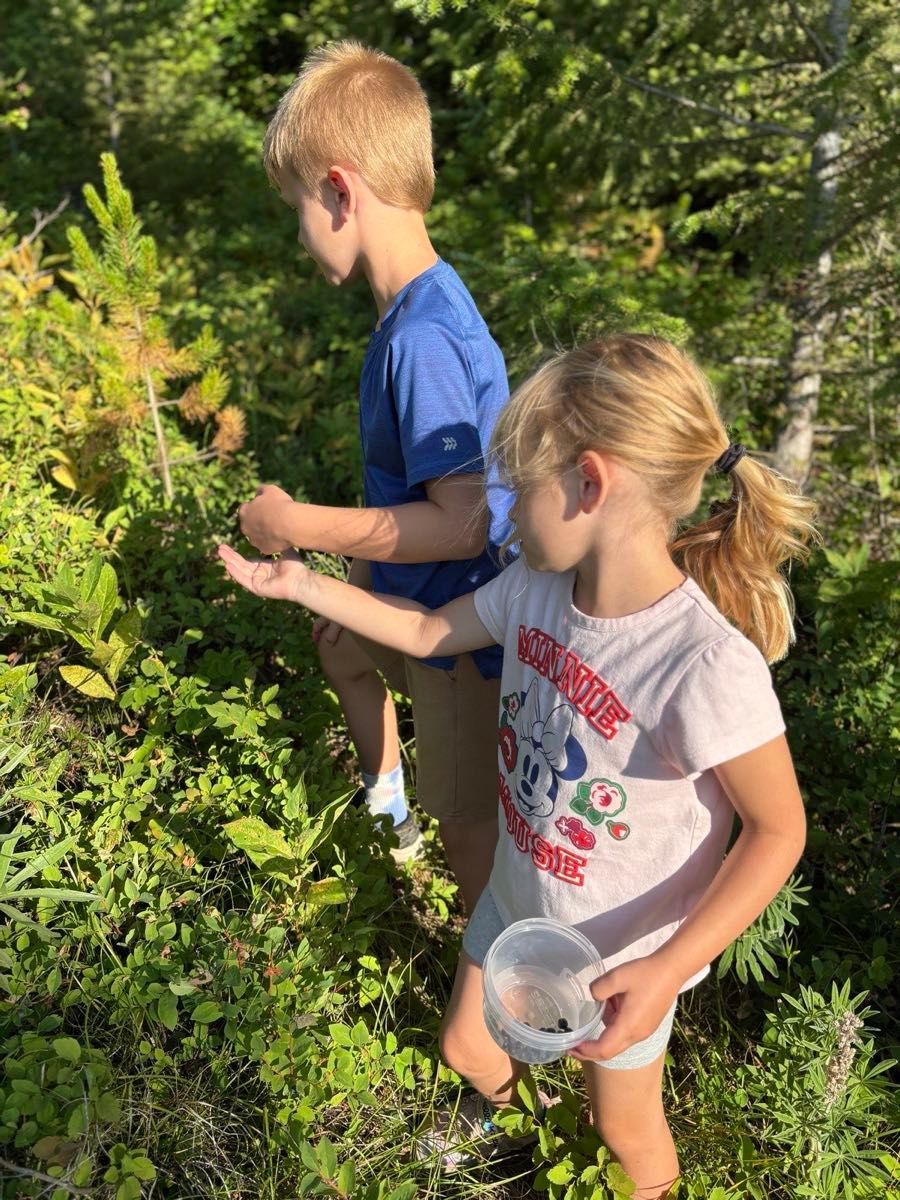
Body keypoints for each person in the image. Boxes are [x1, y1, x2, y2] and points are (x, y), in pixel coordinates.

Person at [218, 334, 815, 1198]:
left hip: (621, 955)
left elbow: (778, 829)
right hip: (518, 898)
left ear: (589, 483)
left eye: (515, 487)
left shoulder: (700, 663)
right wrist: (305, 584)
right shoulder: (536, 588)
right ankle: (543, 1157)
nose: (499, 511)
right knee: (467, 1048)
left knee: (625, 1133)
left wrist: (665, 970)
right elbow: (428, 633)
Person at [239, 41, 512, 901]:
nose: (297, 229)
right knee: (340, 646)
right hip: (411, 594)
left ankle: (495, 1007)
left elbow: (463, 519)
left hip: (463, 638)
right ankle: (390, 809)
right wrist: (353, 580)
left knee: (470, 833)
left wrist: (297, 526)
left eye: (295, 206)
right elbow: (410, 491)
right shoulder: (418, 308)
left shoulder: (423, 338)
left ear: (339, 190)